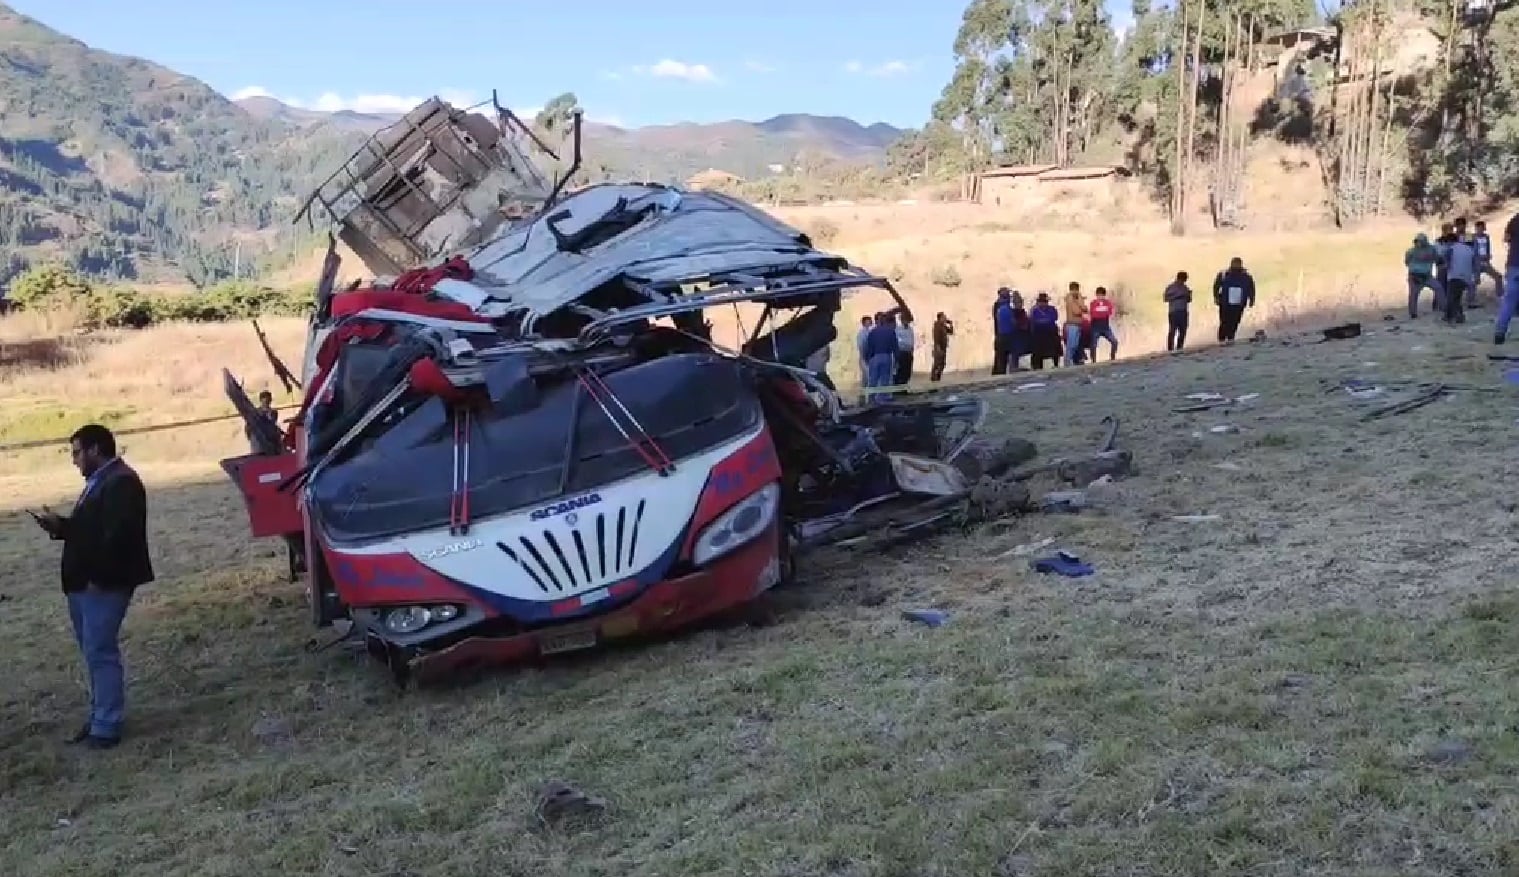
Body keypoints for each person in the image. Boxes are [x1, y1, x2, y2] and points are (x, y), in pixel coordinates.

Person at [31, 424, 153, 750]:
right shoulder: (103, 481)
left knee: (100, 651)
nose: (75, 461)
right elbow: (93, 530)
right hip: (89, 583)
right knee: (93, 652)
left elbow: (118, 537)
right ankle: (101, 714)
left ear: (95, 450)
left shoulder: (121, 482)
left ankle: (107, 725)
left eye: (77, 452)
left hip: (102, 584)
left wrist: (98, 578)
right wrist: (63, 528)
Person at [1212, 257, 1255, 343]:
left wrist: (1251, 299)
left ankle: (1230, 338)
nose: (1236, 265)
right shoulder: (1223, 274)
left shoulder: (1246, 276)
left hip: (1239, 304)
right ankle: (1221, 340)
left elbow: (1251, 288)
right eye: (1235, 263)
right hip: (1225, 303)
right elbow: (1216, 286)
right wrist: (1216, 297)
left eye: (1238, 264)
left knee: (1235, 322)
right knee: (1224, 322)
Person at [862, 311, 900, 402]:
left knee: (873, 379)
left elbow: (869, 347)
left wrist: (867, 358)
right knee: (884, 379)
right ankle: (882, 399)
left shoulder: (872, 332)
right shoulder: (890, 332)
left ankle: (871, 399)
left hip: (874, 357)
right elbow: (895, 347)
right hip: (886, 356)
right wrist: (897, 360)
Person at [1494, 211, 1519, 344]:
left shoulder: (1514, 219)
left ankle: (1500, 333)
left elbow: (1506, 238)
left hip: (1513, 265)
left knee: (1509, 302)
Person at [1405, 233, 1443, 318]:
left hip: (1427, 276)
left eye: (1421, 241)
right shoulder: (1410, 251)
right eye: (1417, 241)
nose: (1419, 243)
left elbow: (1437, 259)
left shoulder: (1431, 249)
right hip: (1415, 276)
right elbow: (1407, 262)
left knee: (1438, 288)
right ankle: (1413, 313)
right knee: (1413, 294)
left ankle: (1443, 307)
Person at [1444, 232, 1477, 324]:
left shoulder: (1451, 249)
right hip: (1467, 277)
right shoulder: (1469, 249)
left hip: (1455, 276)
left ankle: (1451, 316)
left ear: (1450, 241)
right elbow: (1474, 263)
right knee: (1457, 297)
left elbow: (1447, 263)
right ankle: (1458, 316)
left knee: (1451, 298)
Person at [1029, 292, 1063, 369]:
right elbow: (1033, 320)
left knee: (1055, 348)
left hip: (1050, 332)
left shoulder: (1052, 309)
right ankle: (1037, 367)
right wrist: (1045, 321)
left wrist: (1043, 321)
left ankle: (1056, 364)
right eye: (1042, 301)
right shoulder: (1034, 310)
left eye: (1045, 301)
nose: (1044, 303)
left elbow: (1054, 318)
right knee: (1037, 351)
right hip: (1039, 334)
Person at [1474, 220, 1503, 301]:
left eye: (1482, 228)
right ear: (1476, 228)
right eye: (1478, 228)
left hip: (1486, 262)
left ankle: (1500, 295)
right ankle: (1471, 299)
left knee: (1498, 276)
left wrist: (1488, 255)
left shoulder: (1486, 237)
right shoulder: (1472, 237)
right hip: (1477, 262)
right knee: (1474, 280)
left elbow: (1488, 248)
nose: (1480, 230)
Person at [1163, 271, 1192, 351]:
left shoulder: (1185, 288)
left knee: (1183, 331)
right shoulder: (1171, 287)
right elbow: (1165, 298)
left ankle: (1180, 347)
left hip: (1183, 311)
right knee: (1172, 331)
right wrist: (1178, 296)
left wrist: (1188, 296)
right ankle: (1170, 348)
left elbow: (1189, 300)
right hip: (1174, 312)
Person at [1088, 286, 1118, 361]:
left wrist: (1099, 312)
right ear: (1096, 295)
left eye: (1102, 295)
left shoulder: (1107, 303)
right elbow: (1093, 314)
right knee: (1093, 345)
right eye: (1098, 295)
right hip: (1095, 327)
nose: (1100, 297)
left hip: (1105, 327)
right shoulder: (1093, 303)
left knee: (1114, 342)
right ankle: (1093, 361)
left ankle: (1112, 357)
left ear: (1104, 295)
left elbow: (1110, 312)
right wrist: (1103, 312)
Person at [1062, 282, 1087, 366]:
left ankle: (1069, 362)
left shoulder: (1075, 298)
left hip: (1077, 325)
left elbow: (1085, 310)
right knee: (1071, 345)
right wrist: (1081, 303)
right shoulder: (1070, 298)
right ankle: (1067, 363)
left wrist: (1081, 304)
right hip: (1072, 325)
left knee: (1075, 345)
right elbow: (1078, 311)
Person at [991, 288, 1015, 375]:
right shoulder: (1000, 305)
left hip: (1001, 334)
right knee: (1001, 357)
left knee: (1001, 357)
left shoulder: (1001, 305)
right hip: (1002, 334)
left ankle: (999, 373)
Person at [893, 312, 916, 386]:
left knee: (908, 371)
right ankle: (898, 386)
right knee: (901, 370)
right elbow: (898, 341)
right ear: (902, 320)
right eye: (905, 319)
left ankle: (904, 385)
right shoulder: (898, 329)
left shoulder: (910, 329)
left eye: (907, 320)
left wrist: (912, 350)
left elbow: (912, 340)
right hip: (901, 352)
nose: (907, 321)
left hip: (909, 352)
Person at [930, 312, 954, 382]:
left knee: (942, 364)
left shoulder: (943, 326)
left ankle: (937, 377)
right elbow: (936, 337)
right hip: (939, 347)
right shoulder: (937, 325)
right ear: (940, 318)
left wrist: (951, 324)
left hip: (943, 347)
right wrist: (937, 347)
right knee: (937, 363)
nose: (945, 318)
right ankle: (933, 378)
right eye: (944, 317)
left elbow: (951, 332)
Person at [854, 315, 873, 387]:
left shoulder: (871, 331)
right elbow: (860, 346)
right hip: (864, 357)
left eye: (870, 321)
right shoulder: (861, 333)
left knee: (866, 376)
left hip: (870, 356)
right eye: (867, 321)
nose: (869, 323)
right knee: (866, 375)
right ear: (863, 323)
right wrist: (863, 356)